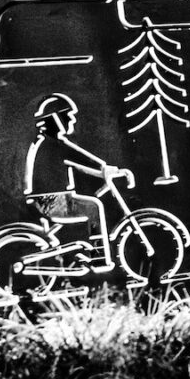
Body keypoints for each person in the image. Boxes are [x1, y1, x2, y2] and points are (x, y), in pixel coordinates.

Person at [23, 94, 127, 271]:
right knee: (94, 207)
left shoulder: (45, 141)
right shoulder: (55, 144)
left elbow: (85, 165)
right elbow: (82, 160)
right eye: (68, 116)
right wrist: (108, 169)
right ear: (56, 119)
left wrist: (103, 170)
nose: (72, 119)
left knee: (90, 203)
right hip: (52, 200)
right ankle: (99, 258)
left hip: (48, 199)